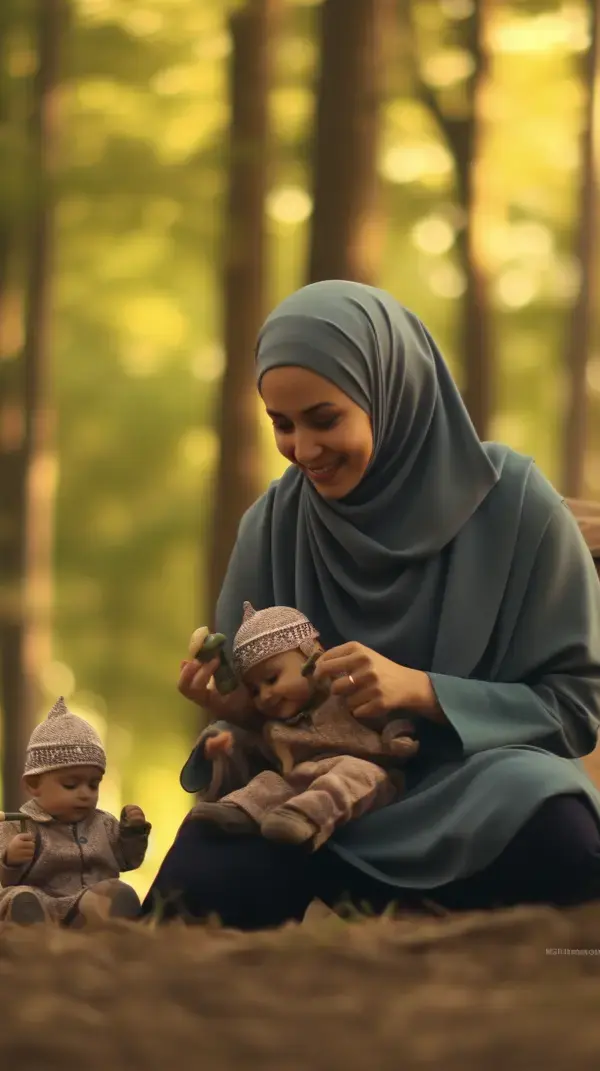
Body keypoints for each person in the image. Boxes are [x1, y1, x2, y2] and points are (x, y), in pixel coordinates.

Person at [142, 280, 600, 930]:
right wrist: (240, 711)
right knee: (198, 879)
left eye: (324, 418)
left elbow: (574, 707)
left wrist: (419, 689)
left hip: (472, 791)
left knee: (562, 832)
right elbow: (251, 736)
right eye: (282, 424)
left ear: (394, 394)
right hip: (308, 800)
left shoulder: (516, 504)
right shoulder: (271, 527)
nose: (303, 449)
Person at [180, 602, 418, 851]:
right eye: (255, 691)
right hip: (300, 779)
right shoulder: (276, 727)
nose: (266, 696)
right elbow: (258, 750)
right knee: (268, 782)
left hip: (369, 775)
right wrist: (226, 748)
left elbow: (383, 715)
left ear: (311, 654)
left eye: (272, 679)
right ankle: (236, 811)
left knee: (352, 774)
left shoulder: (342, 694)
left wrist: (397, 737)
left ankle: (305, 818)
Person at [0, 696, 150, 925]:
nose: (85, 793)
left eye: (93, 784)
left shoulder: (104, 824)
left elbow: (127, 860)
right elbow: (6, 877)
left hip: (87, 903)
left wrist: (133, 834)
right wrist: (10, 859)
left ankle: (105, 922)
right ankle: (30, 926)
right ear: (33, 785)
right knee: (18, 897)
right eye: (71, 785)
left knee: (117, 892)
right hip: (42, 902)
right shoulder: (20, 825)